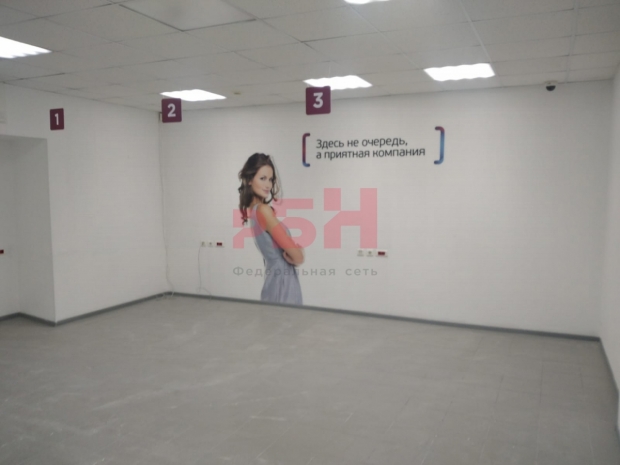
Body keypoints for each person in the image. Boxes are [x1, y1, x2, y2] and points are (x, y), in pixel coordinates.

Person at [238, 153, 303, 305]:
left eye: (271, 179)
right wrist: (299, 252)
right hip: (283, 281)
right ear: (249, 179)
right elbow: (298, 257)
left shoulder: (253, 211)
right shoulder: (263, 210)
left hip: (274, 278)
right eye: (262, 178)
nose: (268, 185)